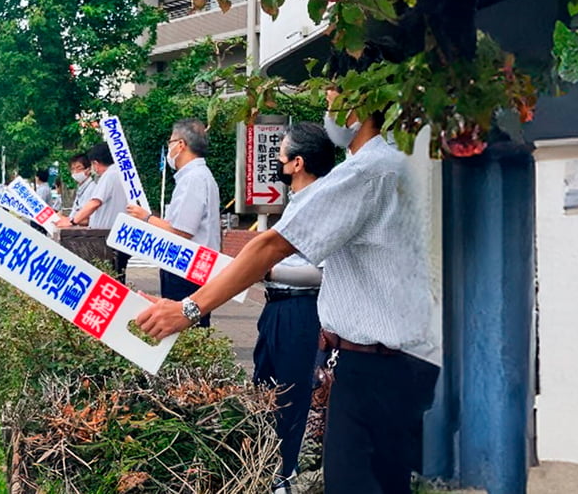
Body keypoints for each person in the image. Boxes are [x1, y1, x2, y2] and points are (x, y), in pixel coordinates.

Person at [134, 45, 441, 494]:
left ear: (358, 98)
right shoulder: (400, 163)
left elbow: (270, 246)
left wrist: (188, 309)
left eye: (331, 95)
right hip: (391, 363)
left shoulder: (367, 171)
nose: (329, 108)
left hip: (374, 369)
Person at [253, 122, 335, 493]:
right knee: (267, 388)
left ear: (297, 163)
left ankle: (288, 475)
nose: (277, 161)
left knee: (294, 395)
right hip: (277, 308)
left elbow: (324, 271)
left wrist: (270, 270)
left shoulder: (322, 204)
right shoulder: (298, 202)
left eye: (281, 155)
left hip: (302, 311)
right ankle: (269, 467)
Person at [126, 118, 220, 327]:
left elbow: (182, 231)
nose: (169, 148)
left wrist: (146, 217)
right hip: (190, 267)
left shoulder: (194, 178)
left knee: (185, 330)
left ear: (181, 145)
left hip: (187, 270)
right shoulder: (196, 176)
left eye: (170, 142)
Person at [56, 143, 131, 282]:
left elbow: (95, 202)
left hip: (107, 240)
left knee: (109, 278)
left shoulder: (109, 175)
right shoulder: (121, 174)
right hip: (116, 237)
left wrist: (72, 221)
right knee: (117, 278)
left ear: (95, 163)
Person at [67, 153, 96, 225]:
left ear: (88, 169)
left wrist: (70, 221)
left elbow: (88, 218)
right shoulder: (81, 188)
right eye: (72, 169)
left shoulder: (92, 188)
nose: (75, 172)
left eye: (79, 168)